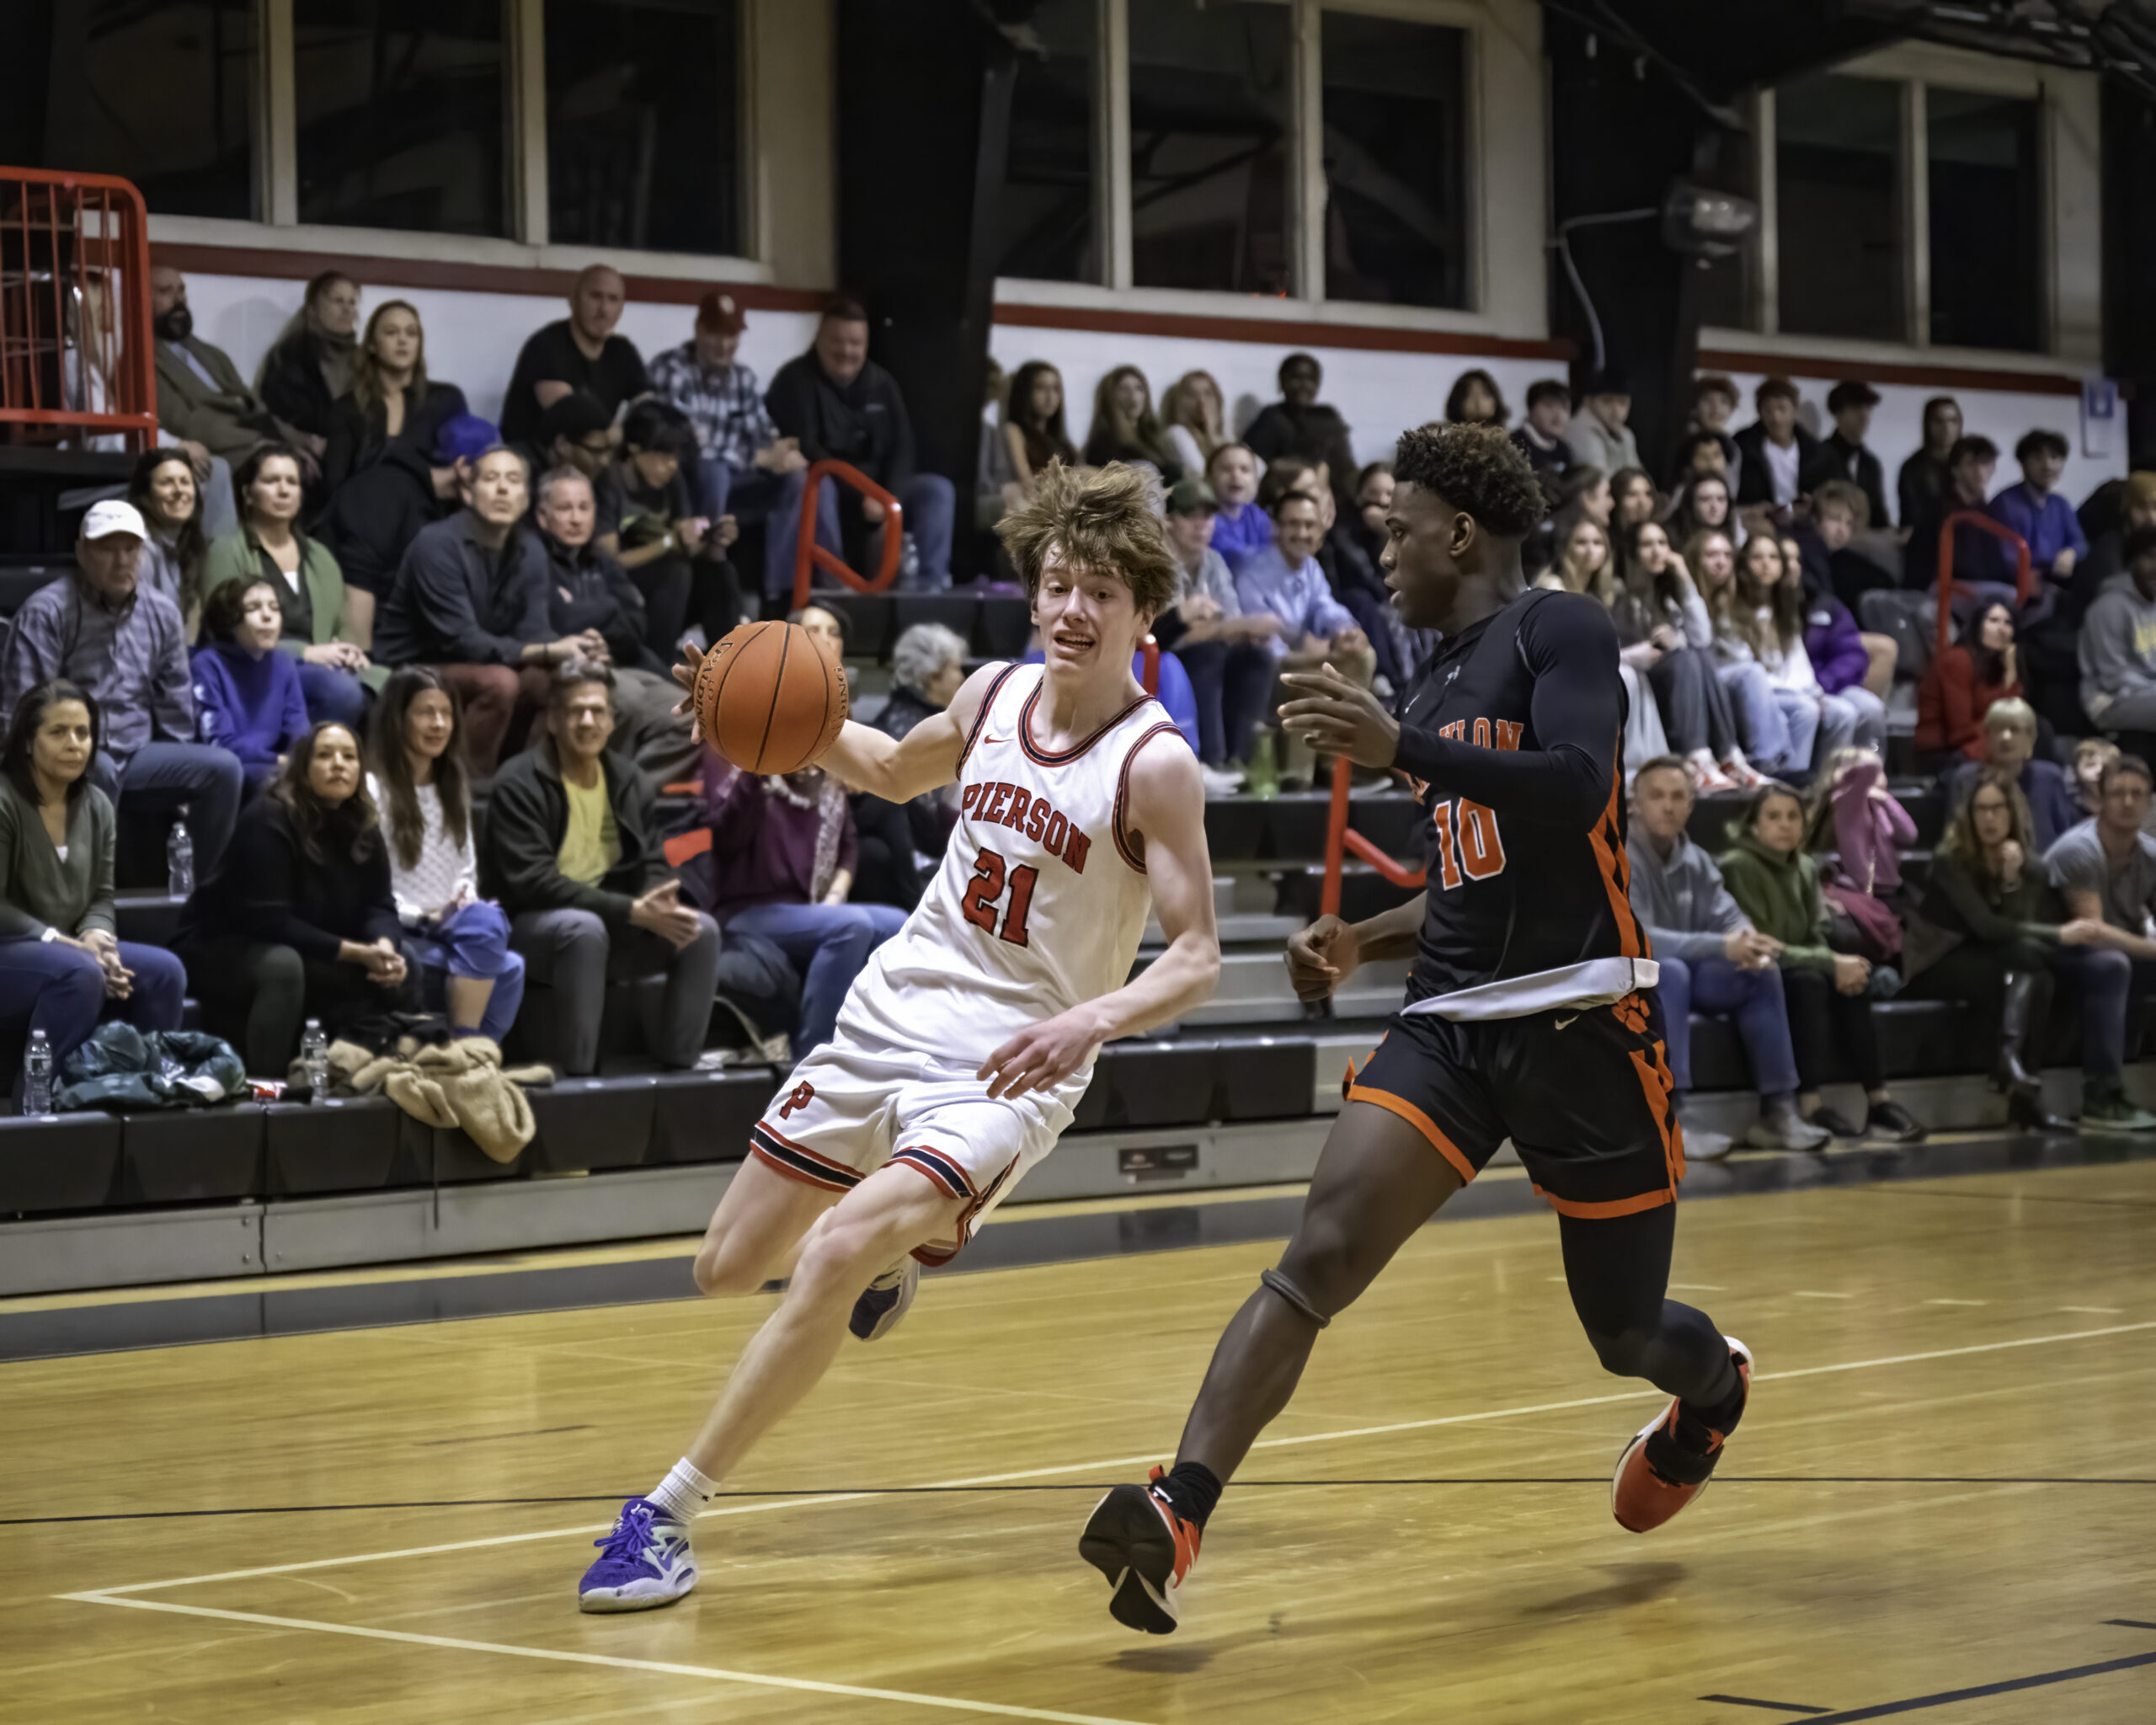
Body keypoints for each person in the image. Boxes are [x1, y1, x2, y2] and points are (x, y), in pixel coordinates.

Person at [1077, 421, 1749, 1641]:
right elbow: (1470, 873)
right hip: (1449, 1024)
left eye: (1396, 528)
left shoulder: (1565, 629)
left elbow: (1575, 789)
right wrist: (1361, 938)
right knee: (1318, 1256)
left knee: (1626, 1333)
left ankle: (1711, 1398)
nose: (1380, 547)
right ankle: (1177, 1512)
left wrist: (1401, 746)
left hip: (1584, 1018)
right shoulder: (1434, 678)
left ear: (1460, 531)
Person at [574, 460, 1219, 1615]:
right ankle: (908, 1254)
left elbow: (1196, 955)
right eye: (1059, 584)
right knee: (724, 1270)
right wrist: (759, 703)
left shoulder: (1154, 764)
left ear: (1143, 611)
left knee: (829, 1254)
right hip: (891, 1014)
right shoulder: (989, 700)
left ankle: (664, 1516)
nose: (1074, 610)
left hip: (1009, 1066)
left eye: (1102, 594)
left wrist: (1088, 1021)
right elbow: (875, 768)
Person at [480, 665, 720, 1077]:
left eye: (596, 711)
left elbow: (653, 858)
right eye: (575, 711)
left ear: (611, 720)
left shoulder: (629, 780)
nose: (587, 721)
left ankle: (682, 1068)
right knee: (583, 929)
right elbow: (533, 881)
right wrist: (631, 910)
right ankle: (581, 1076)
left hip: (615, 914)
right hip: (531, 924)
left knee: (700, 931)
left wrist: (657, 901)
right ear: (553, 720)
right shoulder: (518, 782)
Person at [0, 500, 243, 879]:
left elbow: (175, 699)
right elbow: (22, 713)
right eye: (107, 549)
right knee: (99, 768)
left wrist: (177, 766)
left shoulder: (161, 612)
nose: (122, 560)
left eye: (131, 549)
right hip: (68, 752)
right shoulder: (46, 611)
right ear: (82, 552)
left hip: (138, 751)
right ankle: (87, 899)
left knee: (223, 769)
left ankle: (205, 896)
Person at [173, 722, 421, 1076]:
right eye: (325, 755)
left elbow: (380, 903)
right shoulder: (268, 818)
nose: (339, 764)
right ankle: (267, 1094)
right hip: (223, 945)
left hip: (312, 943)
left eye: (349, 757)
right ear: (303, 767)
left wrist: (383, 946)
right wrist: (356, 952)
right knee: (283, 966)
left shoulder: (363, 822)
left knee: (404, 958)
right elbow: (269, 921)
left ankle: (387, 1078)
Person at [1625, 756, 1828, 1156]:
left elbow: (1731, 917)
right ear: (1635, 803)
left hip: (1681, 973)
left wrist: (1751, 943)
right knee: (1673, 972)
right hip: (1625, 975)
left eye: (1678, 796)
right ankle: (1672, 1118)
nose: (1668, 805)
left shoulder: (1697, 859)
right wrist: (1722, 946)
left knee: (1760, 972)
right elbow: (1641, 938)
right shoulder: (1620, 857)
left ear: (1691, 805)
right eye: (1657, 796)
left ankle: (1778, 1112)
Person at [373, 447, 600, 773]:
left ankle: (524, 778)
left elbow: (533, 631)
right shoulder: (437, 545)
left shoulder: (530, 548)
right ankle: (468, 784)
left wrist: (577, 651)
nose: (503, 489)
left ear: (525, 499)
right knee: (501, 683)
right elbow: (462, 641)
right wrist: (549, 649)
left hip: (486, 659)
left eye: (513, 480)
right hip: (416, 661)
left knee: (561, 679)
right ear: (467, 492)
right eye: (491, 479)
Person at [1718, 783, 1924, 1142]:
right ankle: (1809, 1104)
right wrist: (1830, 962)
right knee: (1812, 981)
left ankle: (1877, 1101)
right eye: (1774, 817)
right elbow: (1761, 944)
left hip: (1799, 961)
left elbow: (1815, 934)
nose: (1785, 825)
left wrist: (1837, 964)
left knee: (1852, 979)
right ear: (1753, 826)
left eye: (1793, 816)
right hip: (1753, 969)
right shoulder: (1737, 866)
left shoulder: (1804, 867)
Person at [0, 681, 187, 1077]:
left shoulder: (98, 806)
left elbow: (101, 896)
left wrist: (97, 939)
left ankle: (144, 1095)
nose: (74, 744)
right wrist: (68, 945)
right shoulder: (4, 801)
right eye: (58, 732)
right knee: (79, 973)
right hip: (11, 948)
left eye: (83, 733)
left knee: (164, 972)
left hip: (66, 950)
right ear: (27, 743)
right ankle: (38, 1105)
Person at [1903, 768, 2091, 1133]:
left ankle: (2018, 1077)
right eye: (1981, 810)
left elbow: (2010, 930)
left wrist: (2010, 881)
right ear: (1969, 816)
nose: (1989, 819)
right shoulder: (1949, 860)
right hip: (1935, 959)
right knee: (2032, 964)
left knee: (2040, 973)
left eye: (1998, 809)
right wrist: (2060, 933)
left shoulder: (2028, 865)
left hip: (1990, 956)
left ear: (2013, 812)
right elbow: (1988, 928)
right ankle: (2018, 1084)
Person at [698, 749, 905, 1058]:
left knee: (898, 923)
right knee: (852, 926)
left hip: (806, 910)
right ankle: (812, 1055)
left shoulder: (829, 787)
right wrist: (757, 770)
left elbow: (848, 848)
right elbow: (726, 837)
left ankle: (876, 1047)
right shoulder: (753, 780)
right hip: (745, 911)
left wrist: (834, 897)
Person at [367, 668, 526, 1044]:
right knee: (502, 958)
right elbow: (371, 889)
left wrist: (462, 901)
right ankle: (468, 1051)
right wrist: (425, 915)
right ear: (398, 719)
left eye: (446, 713)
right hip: (405, 925)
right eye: (426, 712)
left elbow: (465, 870)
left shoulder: (452, 789)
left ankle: (466, 1052)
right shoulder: (374, 790)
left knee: (507, 954)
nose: (438, 724)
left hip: (449, 923)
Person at [647, 290, 825, 602]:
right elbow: (690, 445)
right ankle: (708, 571)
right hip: (687, 480)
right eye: (716, 333)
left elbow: (763, 432)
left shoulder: (743, 377)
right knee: (713, 470)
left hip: (735, 483)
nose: (724, 344)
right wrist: (757, 457)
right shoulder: (671, 369)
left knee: (798, 478)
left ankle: (781, 592)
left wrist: (783, 453)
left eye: (731, 335)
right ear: (699, 329)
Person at [766, 298, 956, 590]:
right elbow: (808, 447)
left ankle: (930, 588)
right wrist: (864, 492)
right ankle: (832, 587)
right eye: (837, 341)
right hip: (830, 483)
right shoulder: (794, 380)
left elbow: (903, 448)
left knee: (938, 490)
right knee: (818, 484)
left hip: (879, 491)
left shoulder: (883, 383)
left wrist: (886, 495)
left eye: (855, 343)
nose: (846, 351)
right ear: (819, 340)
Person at [533, 464, 703, 788]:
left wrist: (596, 619)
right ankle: (593, 788)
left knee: (695, 713)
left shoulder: (601, 557)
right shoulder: (532, 558)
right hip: (573, 666)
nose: (575, 518)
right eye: (564, 508)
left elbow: (637, 622)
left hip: (624, 658)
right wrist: (608, 612)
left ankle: (628, 791)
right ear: (543, 516)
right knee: (626, 698)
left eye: (584, 508)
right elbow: (556, 621)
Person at [201, 444, 373, 729]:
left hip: (325, 665)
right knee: (340, 691)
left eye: (292, 482)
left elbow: (341, 626)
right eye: (271, 481)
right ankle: (309, 767)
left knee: (397, 687)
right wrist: (305, 653)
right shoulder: (227, 550)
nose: (284, 491)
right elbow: (223, 631)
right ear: (247, 494)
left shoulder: (320, 555)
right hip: (257, 667)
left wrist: (348, 650)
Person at [2045, 754, 2156, 1128]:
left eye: (2137, 794)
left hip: (2117, 951)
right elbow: (2092, 931)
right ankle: (2100, 1096)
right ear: (2101, 799)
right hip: (2053, 953)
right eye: (2118, 793)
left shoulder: (2150, 854)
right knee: (2111, 965)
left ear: (2150, 801)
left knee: (2119, 963)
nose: (2127, 802)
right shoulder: (2080, 849)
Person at [1608, 518, 1759, 792]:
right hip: (1633, 679)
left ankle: (1728, 756)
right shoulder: (1616, 593)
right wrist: (1649, 648)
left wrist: (1685, 577)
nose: (1657, 551)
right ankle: (1695, 757)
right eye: (1647, 545)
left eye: (1662, 543)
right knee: (1688, 658)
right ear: (1631, 551)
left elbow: (1702, 638)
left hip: (1668, 679)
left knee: (1698, 655)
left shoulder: (1665, 593)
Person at [149, 266, 318, 491]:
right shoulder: (145, 363)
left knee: (316, 461)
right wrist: (258, 443)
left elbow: (253, 407)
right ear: (144, 298)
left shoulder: (211, 354)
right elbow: (187, 425)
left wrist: (295, 440)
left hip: (255, 439)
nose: (178, 300)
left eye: (181, 291)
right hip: (223, 449)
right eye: (165, 292)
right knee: (283, 470)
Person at [313, 410, 489, 617]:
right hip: (335, 620)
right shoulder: (385, 488)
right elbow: (357, 582)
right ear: (463, 467)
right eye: (492, 474)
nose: (499, 486)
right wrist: (363, 651)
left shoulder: (451, 509)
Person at [1157, 478, 1278, 781]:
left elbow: (1230, 625)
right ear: (1169, 521)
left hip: (1193, 649)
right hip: (1157, 656)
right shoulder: (1156, 562)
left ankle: (1239, 761)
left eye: (1207, 516)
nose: (1201, 525)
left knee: (1257, 657)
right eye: (1190, 515)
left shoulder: (1214, 561)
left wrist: (1216, 625)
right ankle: (1208, 760)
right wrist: (1213, 625)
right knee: (1208, 653)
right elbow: (1164, 634)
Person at [851, 622, 968, 908]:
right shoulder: (918, 727)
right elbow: (927, 820)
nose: (963, 678)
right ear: (932, 676)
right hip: (914, 852)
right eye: (956, 668)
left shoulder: (914, 716)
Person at [594, 399, 723, 657]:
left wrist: (710, 538)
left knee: (720, 574)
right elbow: (610, 561)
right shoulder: (609, 483)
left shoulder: (672, 481)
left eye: (675, 456)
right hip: (619, 583)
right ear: (633, 447)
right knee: (675, 571)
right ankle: (657, 663)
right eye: (663, 456)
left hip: (665, 580)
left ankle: (730, 666)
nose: (671, 465)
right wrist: (669, 543)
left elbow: (684, 541)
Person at [1743, 533, 1884, 764]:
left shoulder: (1822, 603)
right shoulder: (1761, 607)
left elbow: (1850, 653)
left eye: (1795, 560)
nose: (1791, 566)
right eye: (1785, 559)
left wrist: (1825, 683)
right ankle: (1812, 781)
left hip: (1825, 685)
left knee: (1871, 708)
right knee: (1830, 712)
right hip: (1787, 690)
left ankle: (1862, 778)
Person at [321, 299, 468, 510]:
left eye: (411, 333)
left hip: (430, 524)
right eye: (391, 332)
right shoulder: (347, 409)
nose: (403, 340)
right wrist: (425, 479)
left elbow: (463, 474)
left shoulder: (446, 399)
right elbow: (335, 489)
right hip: (364, 520)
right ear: (372, 345)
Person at [1690, 529, 1810, 779]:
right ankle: (1768, 761)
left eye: (1726, 554)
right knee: (1752, 673)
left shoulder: (1733, 595)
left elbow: (1793, 664)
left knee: (1807, 708)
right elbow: (1717, 650)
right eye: (1711, 554)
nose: (1721, 561)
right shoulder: (1694, 593)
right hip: (1709, 682)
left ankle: (1796, 779)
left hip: (1745, 682)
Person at [1232, 490, 1374, 700]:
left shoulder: (1309, 566)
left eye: (1309, 525)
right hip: (1262, 675)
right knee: (1320, 691)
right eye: (1293, 524)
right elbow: (1270, 655)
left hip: (1303, 658)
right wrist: (1323, 654)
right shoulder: (1252, 575)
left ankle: (1343, 727)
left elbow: (1325, 607)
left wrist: (1345, 631)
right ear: (1276, 527)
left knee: (1364, 655)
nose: (1302, 533)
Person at [499, 264, 650, 446]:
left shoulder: (622, 350)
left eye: (613, 299)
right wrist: (619, 433)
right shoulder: (545, 345)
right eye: (595, 296)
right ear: (573, 300)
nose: (604, 310)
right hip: (537, 458)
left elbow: (648, 407)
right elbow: (574, 416)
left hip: (593, 454)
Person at [189, 579, 311, 791]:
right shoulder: (207, 665)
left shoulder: (283, 662)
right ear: (229, 620)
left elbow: (298, 726)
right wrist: (279, 762)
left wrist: (300, 758)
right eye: (253, 608)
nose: (268, 616)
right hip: (231, 770)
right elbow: (220, 744)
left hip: (277, 764)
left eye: (275, 608)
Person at [1942, 698, 2081, 852]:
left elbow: (2066, 840)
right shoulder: (1966, 779)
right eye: (1998, 729)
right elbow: (1954, 840)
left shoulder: (2050, 778)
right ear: (1987, 737)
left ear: (2030, 738)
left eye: (2014, 729)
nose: (2005, 737)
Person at [256, 270, 360, 459]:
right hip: (301, 457)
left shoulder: (365, 360)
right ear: (313, 308)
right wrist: (300, 441)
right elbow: (270, 417)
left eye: (352, 302)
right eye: (338, 301)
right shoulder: (288, 357)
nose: (347, 309)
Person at [1242, 353, 1357, 518]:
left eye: (1310, 379)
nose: (1303, 385)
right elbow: (1255, 468)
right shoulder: (1272, 418)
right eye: (1296, 377)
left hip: (1331, 505)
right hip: (1281, 505)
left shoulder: (1328, 418)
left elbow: (1346, 469)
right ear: (1282, 382)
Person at [1904, 435, 2012, 601]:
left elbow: (1999, 567)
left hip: (1983, 589)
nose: (1980, 472)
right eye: (1971, 464)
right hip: (1944, 589)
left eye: (1986, 463)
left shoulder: (1991, 513)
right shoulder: (1937, 511)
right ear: (1955, 470)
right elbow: (1920, 568)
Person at [1918, 601, 2023, 766]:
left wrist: (2010, 676)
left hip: (1986, 743)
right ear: (1977, 625)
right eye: (1993, 621)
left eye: (2008, 623)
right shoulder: (1958, 660)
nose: (2001, 629)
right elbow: (1960, 732)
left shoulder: (2003, 664)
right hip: (1945, 751)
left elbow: (2014, 716)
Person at [2079, 525, 2156, 738]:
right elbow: (2114, 678)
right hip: (2109, 701)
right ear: (2131, 562)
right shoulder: (2108, 607)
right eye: (2149, 557)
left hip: (2147, 694)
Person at [1989, 430, 2088, 589]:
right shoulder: (2005, 503)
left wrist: (2071, 552)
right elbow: (2007, 558)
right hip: (2020, 586)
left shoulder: (2060, 503)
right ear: (2024, 463)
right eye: (2038, 458)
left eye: (2055, 458)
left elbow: (2080, 542)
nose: (2048, 466)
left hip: (2058, 581)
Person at [126, 447, 209, 629]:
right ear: (145, 497)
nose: (179, 490)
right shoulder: (140, 551)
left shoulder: (187, 546)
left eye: (186, 482)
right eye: (167, 483)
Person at [1800, 381, 1890, 530]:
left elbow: (1879, 516)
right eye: (1856, 408)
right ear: (1838, 413)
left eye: (1868, 408)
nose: (1864, 415)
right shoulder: (1817, 456)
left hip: (1865, 538)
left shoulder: (1870, 463)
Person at [1733, 377, 1818, 514]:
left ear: (1795, 410)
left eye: (1782, 409)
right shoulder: (1743, 446)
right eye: (1768, 410)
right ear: (1759, 413)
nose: (1776, 417)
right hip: (1758, 519)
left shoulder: (1815, 451)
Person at [998, 360, 1081, 496]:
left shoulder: (1060, 440)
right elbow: (1026, 481)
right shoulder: (1014, 430)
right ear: (1025, 392)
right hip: (1038, 507)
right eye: (1041, 388)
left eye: (1055, 389)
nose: (1050, 397)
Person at [1082, 366, 1181, 480]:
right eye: (1123, 389)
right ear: (1109, 397)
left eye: (1139, 388)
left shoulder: (1154, 437)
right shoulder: (1102, 444)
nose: (1133, 395)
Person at [1897, 396, 1965, 533]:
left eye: (1953, 421)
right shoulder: (1913, 467)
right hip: (1923, 539)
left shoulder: (1968, 464)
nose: (1947, 428)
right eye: (1939, 421)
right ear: (1928, 424)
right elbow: (1910, 518)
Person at [1205, 443, 1271, 571]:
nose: (1236, 475)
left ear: (1256, 481)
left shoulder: (1257, 516)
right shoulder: (1205, 519)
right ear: (1209, 479)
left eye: (1245, 469)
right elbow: (1236, 557)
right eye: (1226, 469)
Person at [1564, 368, 1640, 476]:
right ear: (1588, 401)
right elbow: (1599, 481)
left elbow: (1639, 477)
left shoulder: (1625, 434)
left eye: (1622, 402)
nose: (1616, 411)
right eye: (1607, 401)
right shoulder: (1579, 430)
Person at [1161, 370, 1229, 480]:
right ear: (1180, 403)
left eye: (1208, 393)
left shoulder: (1225, 437)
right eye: (1192, 395)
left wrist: (1212, 435)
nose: (1201, 401)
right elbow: (1202, 475)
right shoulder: (1176, 433)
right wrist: (1211, 433)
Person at [1681, 374, 1742, 494]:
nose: (1716, 409)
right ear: (1695, 405)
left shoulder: (1732, 447)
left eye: (1723, 402)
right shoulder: (1683, 441)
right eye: (1708, 400)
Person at [1510, 378, 1572, 478]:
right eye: (1549, 406)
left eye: (1564, 408)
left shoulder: (1564, 450)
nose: (1559, 415)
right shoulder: (1513, 445)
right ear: (1530, 409)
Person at [1668, 473, 1738, 550]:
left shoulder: (1734, 544)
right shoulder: (1669, 542)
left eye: (1720, 499)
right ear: (1690, 504)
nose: (1714, 506)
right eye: (1705, 499)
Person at [1444, 368, 1508, 428]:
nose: (1478, 401)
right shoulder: (1446, 437)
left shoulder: (1509, 437)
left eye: (1485, 393)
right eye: (1469, 395)